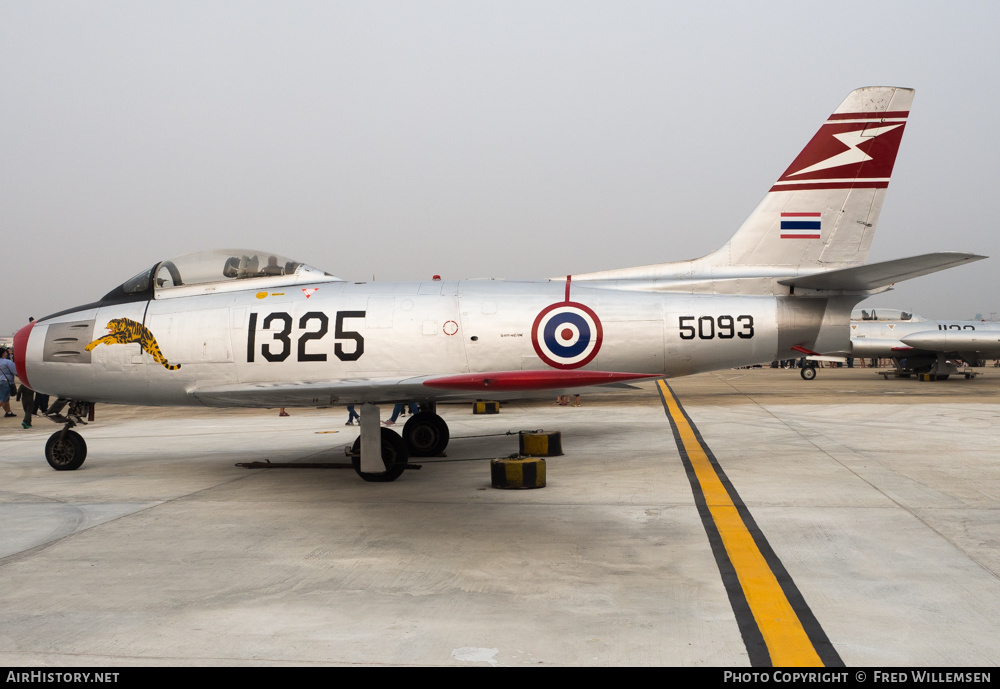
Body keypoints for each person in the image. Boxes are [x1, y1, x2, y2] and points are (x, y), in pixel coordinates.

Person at [0, 347, 16, 418]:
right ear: (3, 354)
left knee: (5, 399)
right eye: (6, 352)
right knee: (2, 399)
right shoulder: (8, 362)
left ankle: (8, 412)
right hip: (5, 382)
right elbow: (15, 372)